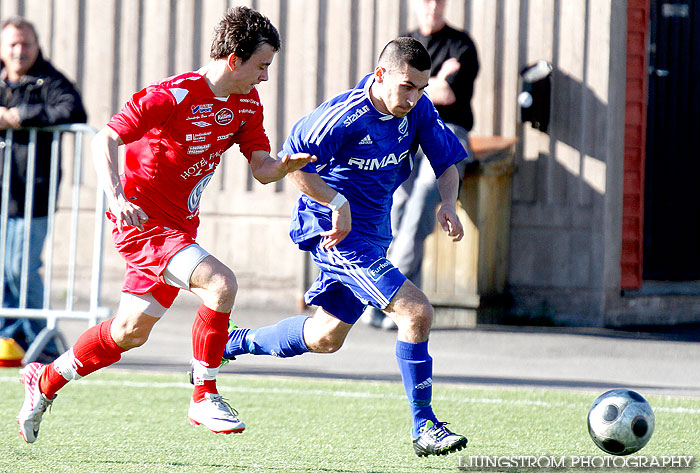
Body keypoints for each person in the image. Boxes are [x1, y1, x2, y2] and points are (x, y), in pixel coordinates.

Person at [16, 6, 314, 444]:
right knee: (221, 284)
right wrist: (115, 196)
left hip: (179, 230)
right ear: (234, 59)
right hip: (141, 223)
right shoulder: (172, 95)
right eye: (262, 66)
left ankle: (44, 381)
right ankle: (204, 394)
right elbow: (105, 139)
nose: (266, 76)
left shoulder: (247, 103)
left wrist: (285, 166)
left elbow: (261, 168)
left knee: (128, 333)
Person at [222, 37, 469, 457]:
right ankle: (425, 427)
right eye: (407, 86)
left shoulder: (417, 109)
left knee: (324, 338)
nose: (414, 97)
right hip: (335, 236)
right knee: (416, 311)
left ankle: (228, 344)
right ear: (381, 75)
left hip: (372, 238)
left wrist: (447, 202)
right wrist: (335, 202)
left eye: (421, 88)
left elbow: (446, 161)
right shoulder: (343, 116)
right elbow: (291, 163)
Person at [363, 0, 479, 329]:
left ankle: (390, 301)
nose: (433, 7)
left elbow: (447, 96)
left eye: (439, 1)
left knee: (419, 209)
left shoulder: (461, 44)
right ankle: (392, 300)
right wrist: (439, 78)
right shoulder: (404, 45)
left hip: (448, 134)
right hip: (406, 133)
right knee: (395, 209)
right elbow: (418, 91)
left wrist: (430, 87)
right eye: (426, 1)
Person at [0, 17, 87, 357]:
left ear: (37, 46)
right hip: (2, 192)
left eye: (26, 44)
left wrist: (20, 115)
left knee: (21, 268)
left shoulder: (49, 79)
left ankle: (44, 342)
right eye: (13, 45)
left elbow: (73, 110)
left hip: (32, 193)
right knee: (3, 269)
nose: (20, 51)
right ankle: (11, 337)